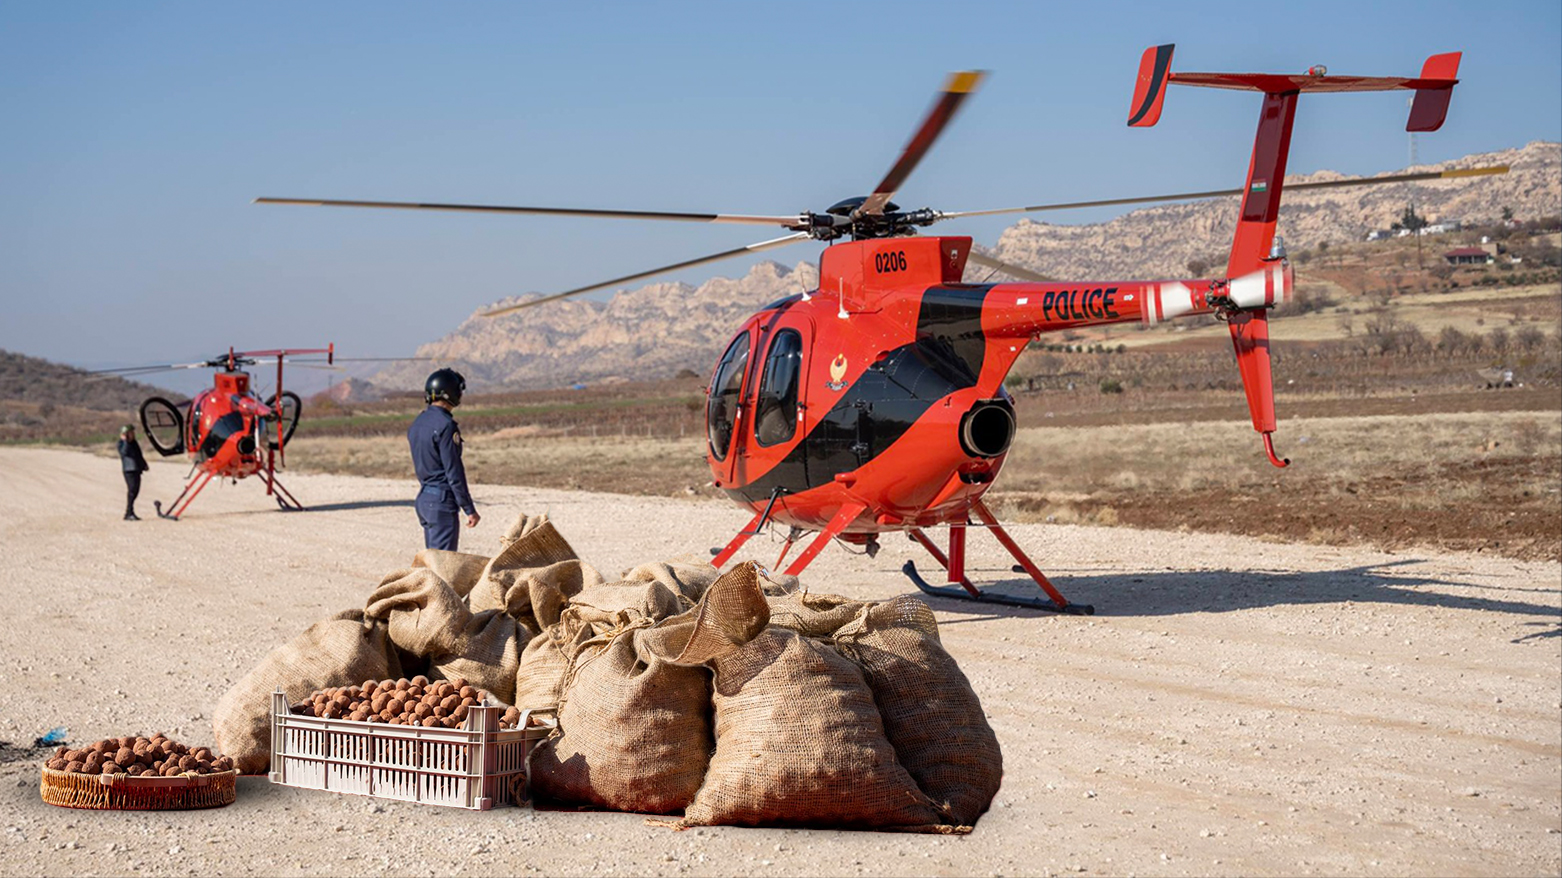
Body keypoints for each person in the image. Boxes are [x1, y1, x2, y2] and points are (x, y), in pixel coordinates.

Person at [407, 368, 479, 550]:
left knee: (433, 564)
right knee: (443, 568)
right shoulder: (446, 426)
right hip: (441, 501)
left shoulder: (418, 423)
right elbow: (454, 472)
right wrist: (468, 508)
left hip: (424, 499)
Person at [117, 424, 149, 520]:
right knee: (132, 490)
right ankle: (129, 512)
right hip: (129, 470)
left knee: (136, 490)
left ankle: (130, 511)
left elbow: (139, 455)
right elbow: (124, 453)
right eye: (130, 433)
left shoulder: (134, 443)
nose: (132, 434)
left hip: (136, 469)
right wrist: (126, 441)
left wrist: (144, 464)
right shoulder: (121, 444)